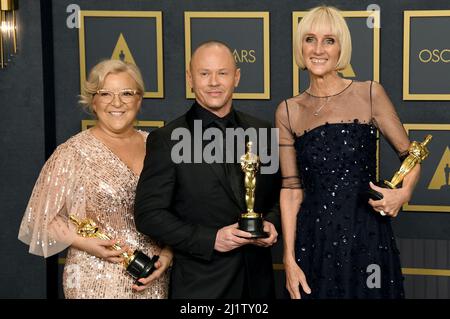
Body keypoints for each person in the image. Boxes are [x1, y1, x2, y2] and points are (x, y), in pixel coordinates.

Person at [276, 6, 420, 299]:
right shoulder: (288, 111)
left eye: (329, 40)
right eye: (309, 39)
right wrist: (289, 259)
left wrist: (403, 194)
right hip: (314, 243)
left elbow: (412, 156)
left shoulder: (369, 94)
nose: (318, 49)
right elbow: (291, 189)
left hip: (366, 237)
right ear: (300, 46)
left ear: (341, 47)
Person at [134, 41, 281, 299]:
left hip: (258, 284)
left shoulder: (263, 133)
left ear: (236, 77)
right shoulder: (167, 139)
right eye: (204, 74)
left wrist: (270, 223)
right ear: (190, 79)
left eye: (222, 73)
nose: (214, 82)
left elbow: (280, 197)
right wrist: (210, 239)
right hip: (201, 287)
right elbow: (149, 214)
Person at [18, 59, 172, 299]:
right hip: (94, 278)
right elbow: (39, 219)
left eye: (127, 93)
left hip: (151, 277)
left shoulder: (158, 147)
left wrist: (168, 254)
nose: (117, 102)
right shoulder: (73, 152)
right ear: (93, 101)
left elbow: (180, 211)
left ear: (139, 99)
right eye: (106, 93)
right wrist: (84, 242)